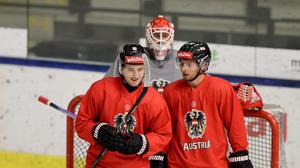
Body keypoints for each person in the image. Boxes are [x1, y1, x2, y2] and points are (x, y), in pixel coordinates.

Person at [75, 44, 172, 168]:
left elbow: (163, 134)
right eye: (130, 69)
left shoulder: (155, 99)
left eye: (140, 69)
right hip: (101, 164)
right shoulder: (100, 89)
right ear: (122, 68)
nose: (135, 75)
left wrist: (142, 143)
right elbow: (81, 123)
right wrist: (97, 131)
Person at [163, 41, 253, 168]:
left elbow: (235, 124)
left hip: (214, 164)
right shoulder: (170, 91)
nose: (183, 69)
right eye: (182, 63)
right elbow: (165, 129)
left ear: (203, 64)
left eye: (189, 64)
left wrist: (240, 154)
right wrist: (159, 155)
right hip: (177, 164)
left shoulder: (221, 88)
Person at [105, 15, 181, 94]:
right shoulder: (131, 56)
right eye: (156, 35)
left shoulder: (182, 59)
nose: (160, 40)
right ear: (148, 36)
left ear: (171, 37)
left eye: (165, 35)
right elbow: (107, 88)